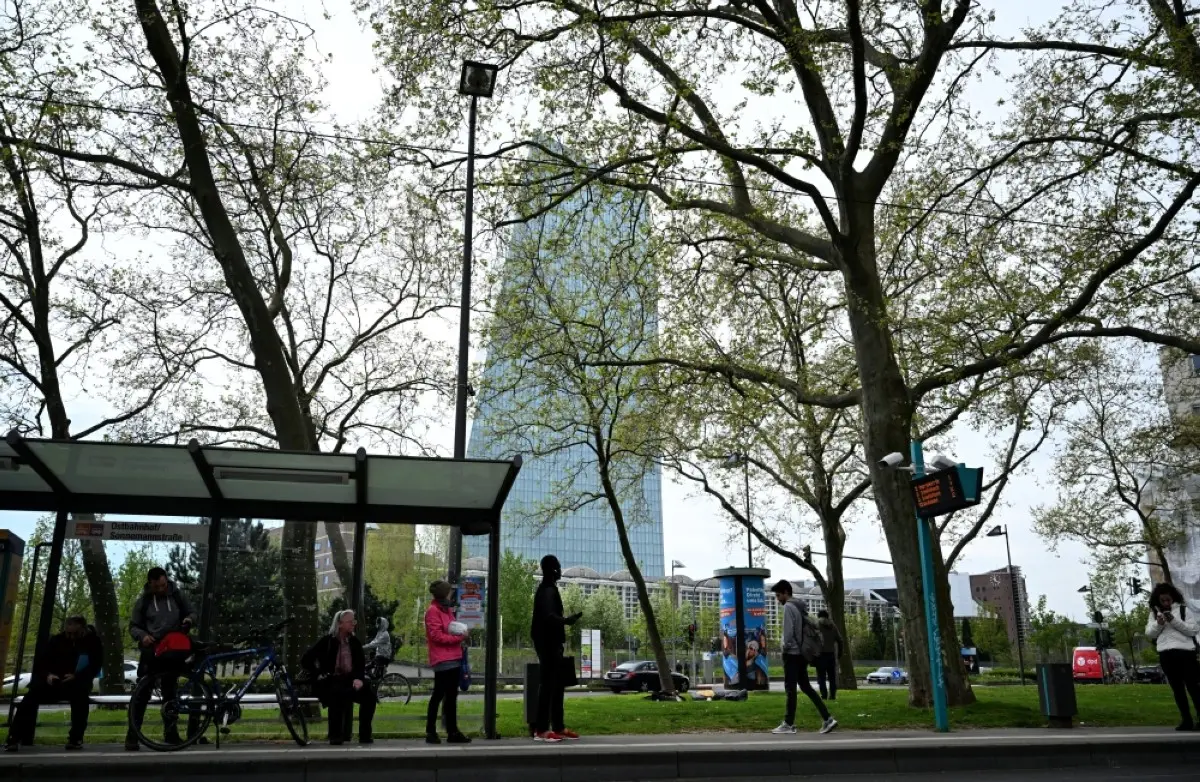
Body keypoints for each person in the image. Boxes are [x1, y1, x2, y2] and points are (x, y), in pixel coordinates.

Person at [5, 616, 103, 752]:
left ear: (82, 628)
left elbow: (96, 665)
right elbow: (42, 662)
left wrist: (77, 676)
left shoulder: (92, 642)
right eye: (68, 632)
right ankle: (13, 737)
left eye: (74, 633)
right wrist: (48, 675)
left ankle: (75, 738)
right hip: (55, 681)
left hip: (77, 682)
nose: (71, 636)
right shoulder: (57, 640)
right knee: (30, 698)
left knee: (80, 700)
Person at [126, 566, 196, 751]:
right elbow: (133, 626)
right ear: (150, 584)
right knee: (142, 693)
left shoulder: (177, 595)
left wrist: (188, 620)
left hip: (173, 647)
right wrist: (142, 636)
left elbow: (192, 612)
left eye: (163, 585)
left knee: (170, 692)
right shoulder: (144, 601)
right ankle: (133, 735)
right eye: (157, 587)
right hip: (153, 649)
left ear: (167, 581)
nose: (161, 589)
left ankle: (171, 734)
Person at [770, 580, 836, 735]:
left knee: (790, 689)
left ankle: (788, 723)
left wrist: (785, 648)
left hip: (792, 654)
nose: (777, 599)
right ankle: (828, 719)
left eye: (779, 595)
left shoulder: (788, 607)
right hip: (802, 654)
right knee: (806, 687)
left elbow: (788, 632)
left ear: (786, 593)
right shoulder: (800, 606)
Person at [302, 609, 376, 745]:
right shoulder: (327, 641)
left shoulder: (354, 642)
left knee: (369, 697)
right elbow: (306, 659)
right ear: (340, 624)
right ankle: (336, 736)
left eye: (354, 621)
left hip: (350, 679)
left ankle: (365, 735)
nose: (353, 624)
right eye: (350, 622)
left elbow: (360, 664)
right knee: (337, 694)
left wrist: (358, 678)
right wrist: (318, 673)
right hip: (331, 679)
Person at [530, 554, 582, 743]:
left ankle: (558, 727)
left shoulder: (549, 589)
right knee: (548, 684)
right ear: (552, 570)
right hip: (547, 642)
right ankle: (542, 730)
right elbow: (549, 616)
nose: (560, 570)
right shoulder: (547, 590)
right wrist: (567, 621)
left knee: (557, 684)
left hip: (551, 642)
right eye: (558, 567)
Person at [1146, 582, 1200, 731]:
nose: (1166, 603)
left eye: (1168, 600)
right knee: (1177, 689)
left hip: (1185, 652)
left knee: (1193, 686)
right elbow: (1149, 634)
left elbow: (1192, 630)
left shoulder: (1183, 610)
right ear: (1158, 600)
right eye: (1162, 600)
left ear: (1173, 598)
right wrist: (1159, 624)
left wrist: (1174, 621)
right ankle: (1186, 720)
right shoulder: (1153, 613)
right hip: (1166, 653)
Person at [424, 580, 471, 744]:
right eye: (450, 592)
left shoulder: (447, 609)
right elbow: (436, 636)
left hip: (454, 657)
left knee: (451, 695)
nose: (452, 594)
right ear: (444, 593)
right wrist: (458, 638)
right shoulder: (433, 611)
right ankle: (431, 731)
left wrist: (461, 633)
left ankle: (453, 731)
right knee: (439, 694)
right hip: (443, 659)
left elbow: (451, 627)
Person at [815, 609, 844, 701]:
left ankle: (824, 695)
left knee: (821, 677)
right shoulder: (833, 626)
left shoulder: (817, 625)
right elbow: (840, 640)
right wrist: (839, 653)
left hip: (820, 655)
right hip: (831, 655)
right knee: (832, 677)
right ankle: (832, 695)